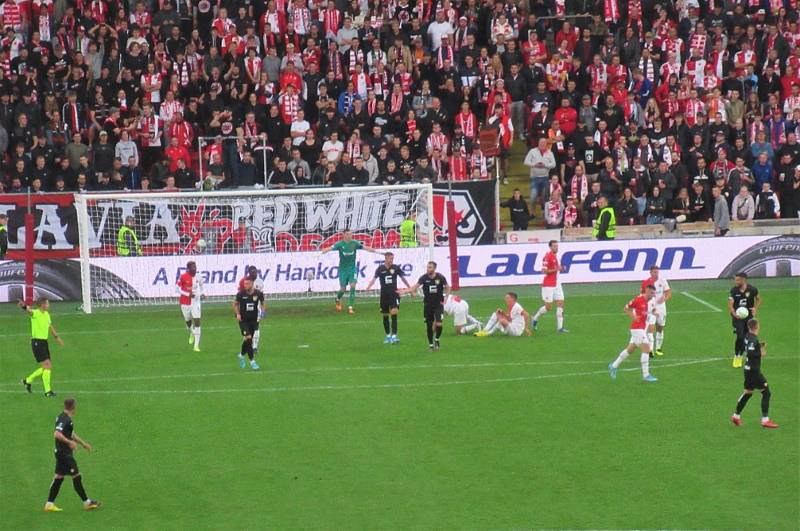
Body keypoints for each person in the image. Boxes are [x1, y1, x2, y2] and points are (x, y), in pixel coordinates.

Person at [43, 398, 102, 512]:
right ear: (73, 407)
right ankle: (87, 503)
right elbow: (57, 434)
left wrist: (83, 443)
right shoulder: (65, 419)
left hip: (60, 453)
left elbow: (70, 433)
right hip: (64, 454)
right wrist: (70, 442)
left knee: (59, 477)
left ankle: (49, 504)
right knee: (76, 476)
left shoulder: (63, 417)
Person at [730, 319, 779, 429]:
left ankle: (736, 416)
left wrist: (759, 346)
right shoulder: (753, 339)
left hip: (748, 369)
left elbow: (750, 348)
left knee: (748, 393)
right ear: (757, 327)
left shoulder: (747, 336)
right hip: (754, 371)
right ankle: (765, 420)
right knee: (766, 392)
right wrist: (761, 350)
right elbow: (752, 352)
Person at [320, 229, 378, 314]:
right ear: (343, 235)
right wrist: (322, 252)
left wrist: (373, 250)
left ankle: (350, 307)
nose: (349, 236)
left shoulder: (355, 243)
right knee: (343, 289)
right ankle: (337, 299)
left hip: (352, 269)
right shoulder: (339, 244)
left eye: (350, 234)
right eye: (347, 234)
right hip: (342, 270)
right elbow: (330, 248)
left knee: (353, 286)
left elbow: (364, 247)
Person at [608, 285, 658, 382]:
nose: (653, 295)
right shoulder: (638, 300)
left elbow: (650, 310)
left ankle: (613, 366)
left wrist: (654, 312)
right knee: (647, 349)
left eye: (654, 293)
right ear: (647, 291)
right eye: (652, 293)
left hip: (642, 329)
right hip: (637, 329)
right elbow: (626, 308)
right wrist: (633, 316)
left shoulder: (650, 301)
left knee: (630, 349)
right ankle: (646, 375)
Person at [19, 298, 64, 397]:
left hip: (44, 342)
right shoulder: (35, 313)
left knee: (46, 367)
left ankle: (27, 381)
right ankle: (47, 391)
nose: (49, 305)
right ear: (42, 305)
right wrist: (24, 306)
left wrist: (57, 337)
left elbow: (50, 326)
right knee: (47, 365)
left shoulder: (47, 314)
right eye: (47, 303)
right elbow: (29, 311)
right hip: (37, 342)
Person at [364, 252, 412, 344]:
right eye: (390, 258)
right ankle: (387, 335)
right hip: (384, 295)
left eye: (392, 259)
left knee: (394, 312)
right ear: (385, 258)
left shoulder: (396, 268)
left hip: (394, 294)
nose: (391, 260)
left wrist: (410, 288)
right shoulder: (380, 269)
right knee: (385, 315)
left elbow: (403, 278)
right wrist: (368, 287)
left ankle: (394, 335)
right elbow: (374, 279)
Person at [401, 261, 450, 351]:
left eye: (430, 267)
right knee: (429, 325)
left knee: (439, 324)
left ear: (434, 268)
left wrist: (446, 296)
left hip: (438, 304)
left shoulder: (440, 277)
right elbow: (414, 287)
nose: (428, 269)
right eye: (427, 267)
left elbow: (447, 287)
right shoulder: (424, 278)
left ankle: (437, 339)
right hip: (427, 304)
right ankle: (431, 345)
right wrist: (405, 291)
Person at [531, 240, 568, 333]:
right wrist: (557, 269)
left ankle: (560, 328)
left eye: (557, 246)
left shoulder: (556, 257)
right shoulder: (547, 257)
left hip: (557, 284)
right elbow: (543, 271)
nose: (556, 247)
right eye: (554, 246)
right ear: (550, 247)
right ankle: (535, 318)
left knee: (560, 304)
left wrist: (561, 268)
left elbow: (557, 269)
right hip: (548, 285)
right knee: (548, 307)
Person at [728, 272, 762, 368]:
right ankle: (737, 356)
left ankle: (744, 355)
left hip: (749, 317)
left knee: (747, 337)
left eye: (738, 280)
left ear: (743, 280)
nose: (736, 282)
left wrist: (755, 308)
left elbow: (759, 299)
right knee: (740, 336)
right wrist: (734, 314)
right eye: (735, 279)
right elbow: (730, 304)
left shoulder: (752, 289)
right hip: (737, 318)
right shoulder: (734, 290)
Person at [233, 278, 265, 370]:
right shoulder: (240, 294)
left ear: (252, 284)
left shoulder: (258, 294)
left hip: (253, 320)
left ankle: (241, 355)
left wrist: (263, 313)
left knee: (247, 340)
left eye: (247, 284)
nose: (245, 285)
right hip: (243, 320)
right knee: (248, 338)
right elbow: (235, 304)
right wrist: (237, 314)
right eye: (244, 284)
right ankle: (252, 361)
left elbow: (263, 303)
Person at [641, 265, 671, 356]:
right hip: (651, 308)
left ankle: (658, 348)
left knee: (660, 328)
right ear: (650, 273)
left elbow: (668, 293)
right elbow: (642, 295)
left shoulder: (663, 281)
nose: (656, 274)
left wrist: (664, 299)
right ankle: (650, 350)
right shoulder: (646, 282)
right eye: (654, 272)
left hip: (661, 308)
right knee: (650, 328)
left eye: (657, 272)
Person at [237, 266, 265, 357]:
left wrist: (262, 310)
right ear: (249, 272)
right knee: (247, 330)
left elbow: (261, 296)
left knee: (256, 328)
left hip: (256, 309)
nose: (254, 273)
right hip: (245, 309)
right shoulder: (244, 281)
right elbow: (240, 295)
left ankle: (255, 347)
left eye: (255, 272)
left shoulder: (260, 282)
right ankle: (247, 346)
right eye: (252, 272)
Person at [177, 261, 203, 352]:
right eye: (193, 267)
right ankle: (192, 332)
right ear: (188, 268)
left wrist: (202, 294)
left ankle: (196, 346)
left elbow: (202, 286)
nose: (195, 269)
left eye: (195, 267)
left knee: (197, 321)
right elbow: (178, 289)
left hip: (196, 301)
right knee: (188, 320)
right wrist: (188, 294)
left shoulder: (199, 276)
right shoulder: (183, 277)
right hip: (185, 302)